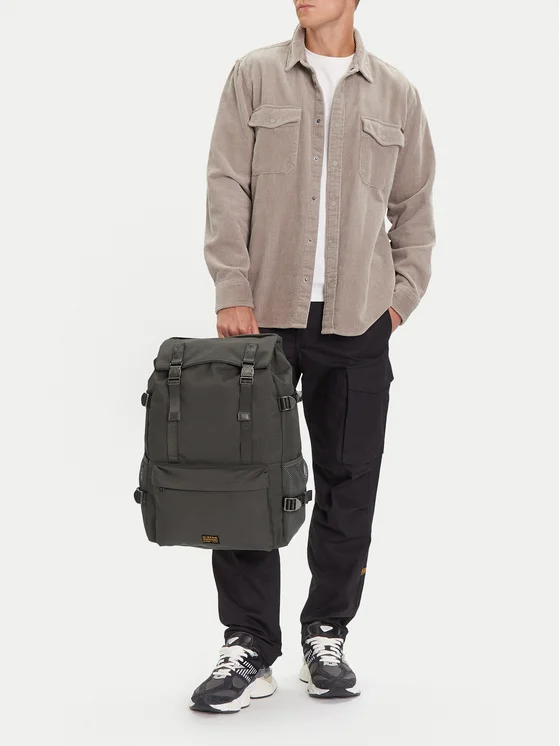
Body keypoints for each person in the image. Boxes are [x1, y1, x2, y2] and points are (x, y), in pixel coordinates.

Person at [192, 0, 436, 713]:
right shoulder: (254, 75)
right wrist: (232, 289)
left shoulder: (397, 93)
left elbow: (415, 208)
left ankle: (326, 633)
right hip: (262, 317)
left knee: (349, 482)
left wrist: (398, 301)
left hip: (359, 320)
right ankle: (248, 643)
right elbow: (226, 183)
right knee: (246, 483)